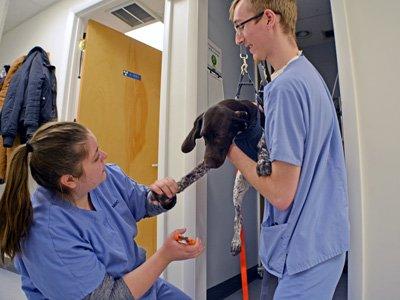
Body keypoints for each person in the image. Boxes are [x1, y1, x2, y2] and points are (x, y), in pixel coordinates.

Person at [228, 0, 350, 299]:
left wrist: (229, 150)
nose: (238, 38)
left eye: (241, 25)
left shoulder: (285, 88)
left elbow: (281, 194)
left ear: (268, 18)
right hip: (321, 239)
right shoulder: (307, 76)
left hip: (304, 249)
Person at [0, 121, 204, 299]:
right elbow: (109, 297)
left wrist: (161, 196)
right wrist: (165, 256)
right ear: (70, 180)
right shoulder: (48, 233)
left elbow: (141, 201)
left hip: (141, 284)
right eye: (96, 157)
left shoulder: (105, 177)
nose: (104, 156)